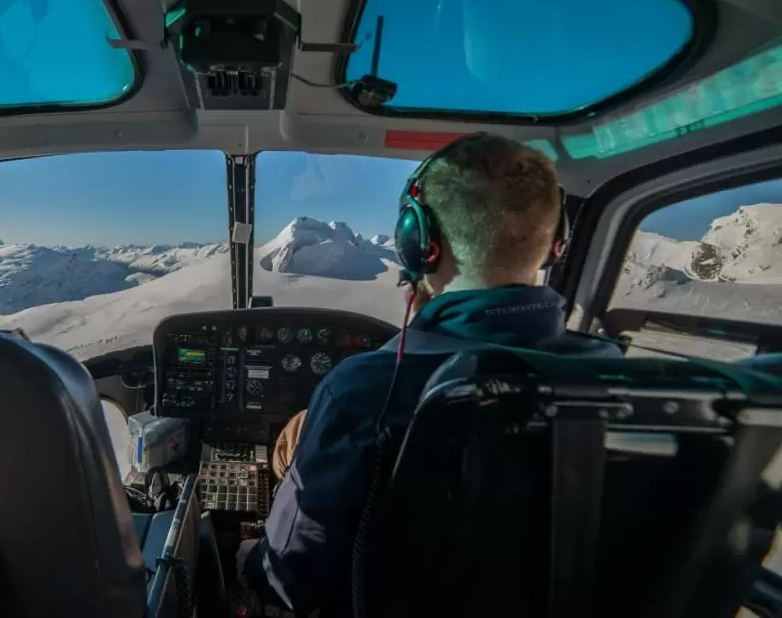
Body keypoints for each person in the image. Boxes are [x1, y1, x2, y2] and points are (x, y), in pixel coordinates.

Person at [237, 132, 623, 617]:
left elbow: (292, 580)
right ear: (557, 241)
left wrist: (247, 557)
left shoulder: (367, 389)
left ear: (419, 242)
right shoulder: (619, 381)